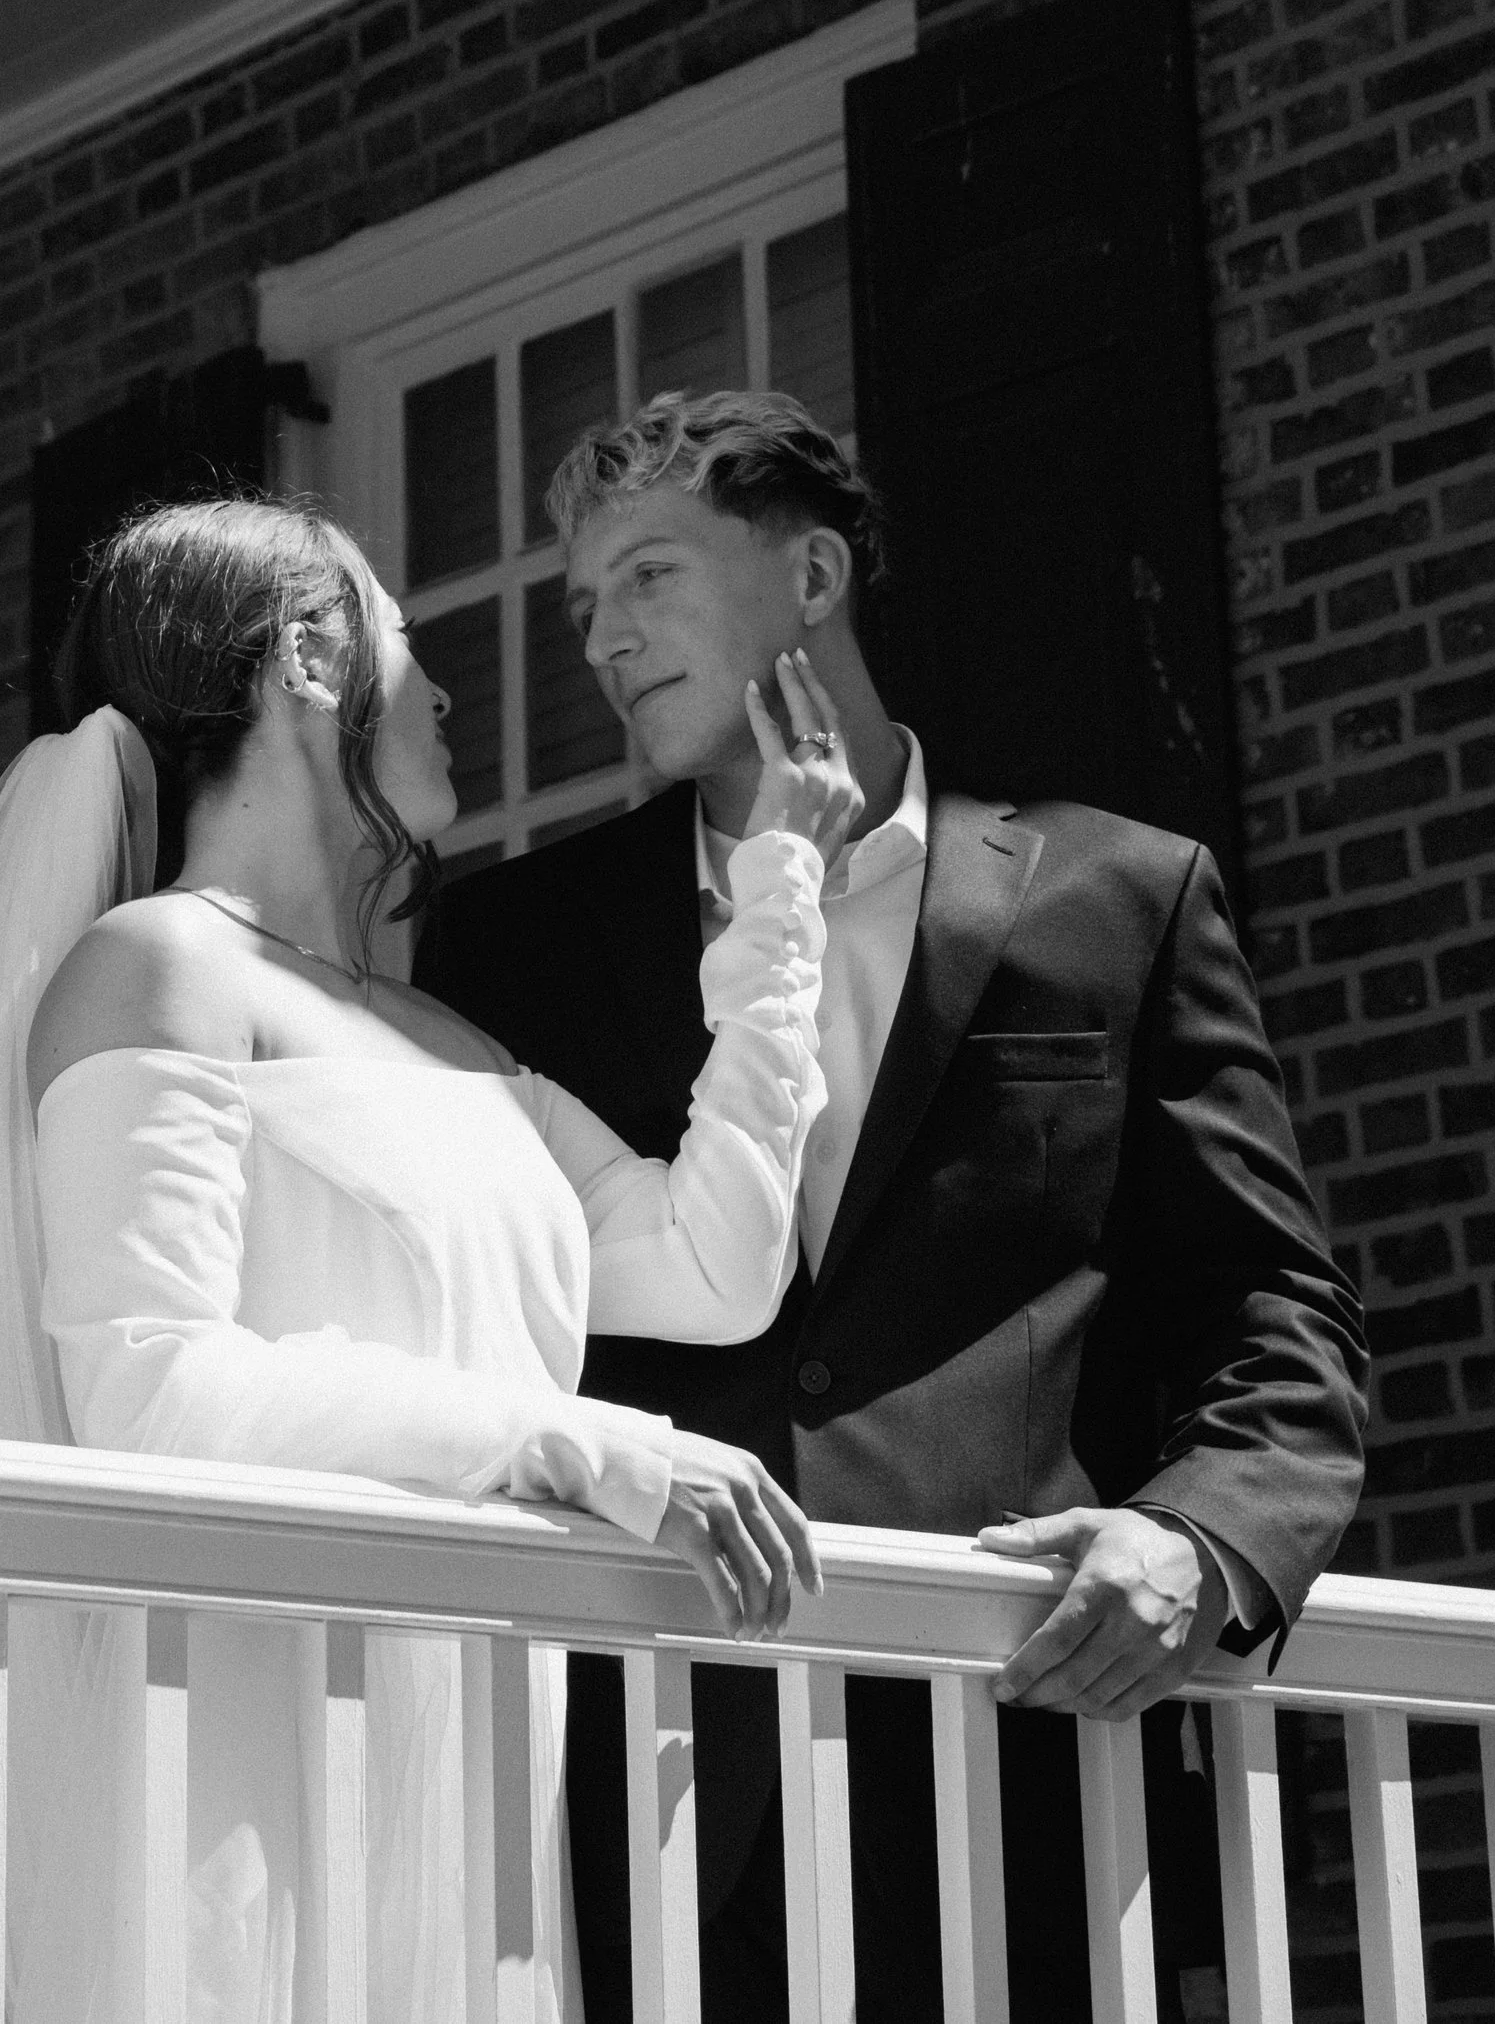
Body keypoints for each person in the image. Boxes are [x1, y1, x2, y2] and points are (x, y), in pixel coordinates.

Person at [0, 492, 862, 2024]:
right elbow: (153, 1387)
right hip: (248, 1787)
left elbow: (716, 1262)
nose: (444, 692)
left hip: (463, 1774)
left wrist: (780, 890)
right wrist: (575, 1442)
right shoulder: (157, 966)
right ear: (311, 659)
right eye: (406, 642)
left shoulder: (452, 1038)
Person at [422, 390, 1369, 2024]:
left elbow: (1272, 1309)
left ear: (811, 578)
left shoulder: (1118, 894)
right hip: (643, 1769)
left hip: (1029, 1764)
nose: (600, 636)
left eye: (647, 574)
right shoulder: (517, 947)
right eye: (583, 605)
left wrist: (1198, 1538)